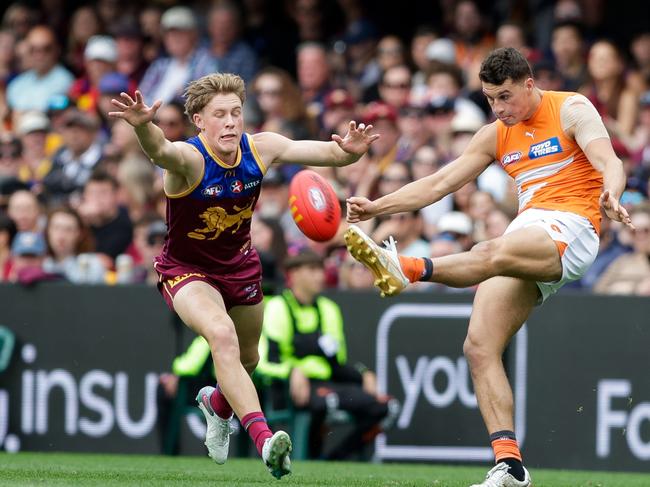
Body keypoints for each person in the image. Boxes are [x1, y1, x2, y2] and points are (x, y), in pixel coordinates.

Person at [344, 47, 632, 487]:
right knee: (479, 345)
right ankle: (510, 465)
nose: (497, 108)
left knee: (489, 250)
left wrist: (611, 194)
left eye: (504, 97)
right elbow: (439, 184)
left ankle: (407, 268)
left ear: (529, 84)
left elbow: (610, 161)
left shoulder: (571, 108)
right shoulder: (495, 133)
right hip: (529, 229)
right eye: (489, 99)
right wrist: (376, 206)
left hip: (574, 225)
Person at [108, 72, 378, 478]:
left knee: (249, 358)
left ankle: (217, 406)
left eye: (236, 112)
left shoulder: (260, 147)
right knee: (221, 335)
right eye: (220, 114)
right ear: (200, 120)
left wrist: (350, 152)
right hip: (187, 270)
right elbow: (161, 151)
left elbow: (326, 153)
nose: (232, 121)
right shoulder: (191, 158)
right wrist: (144, 125)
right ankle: (265, 438)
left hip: (240, 267)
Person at [257, 248, 393, 460]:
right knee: (323, 402)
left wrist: (362, 373)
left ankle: (335, 459)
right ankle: (309, 458)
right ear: (292, 274)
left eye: (321, 269)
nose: (320, 275)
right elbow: (264, 362)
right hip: (288, 389)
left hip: (327, 385)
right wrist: (291, 371)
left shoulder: (329, 309)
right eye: (312, 269)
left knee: (385, 407)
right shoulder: (276, 307)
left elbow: (336, 363)